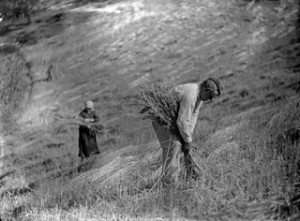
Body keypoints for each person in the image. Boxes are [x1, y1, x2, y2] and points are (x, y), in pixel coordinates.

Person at [152, 77, 221, 186]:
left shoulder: (199, 97)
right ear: (206, 90)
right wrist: (187, 141)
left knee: (179, 145)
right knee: (173, 146)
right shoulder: (191, 95)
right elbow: (182, 121)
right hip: (161, 119)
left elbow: (193, 116)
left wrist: (188, 137)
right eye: (210, 96)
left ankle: (183, 176)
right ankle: (170, 184)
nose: (210, 100)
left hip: (174, 121)